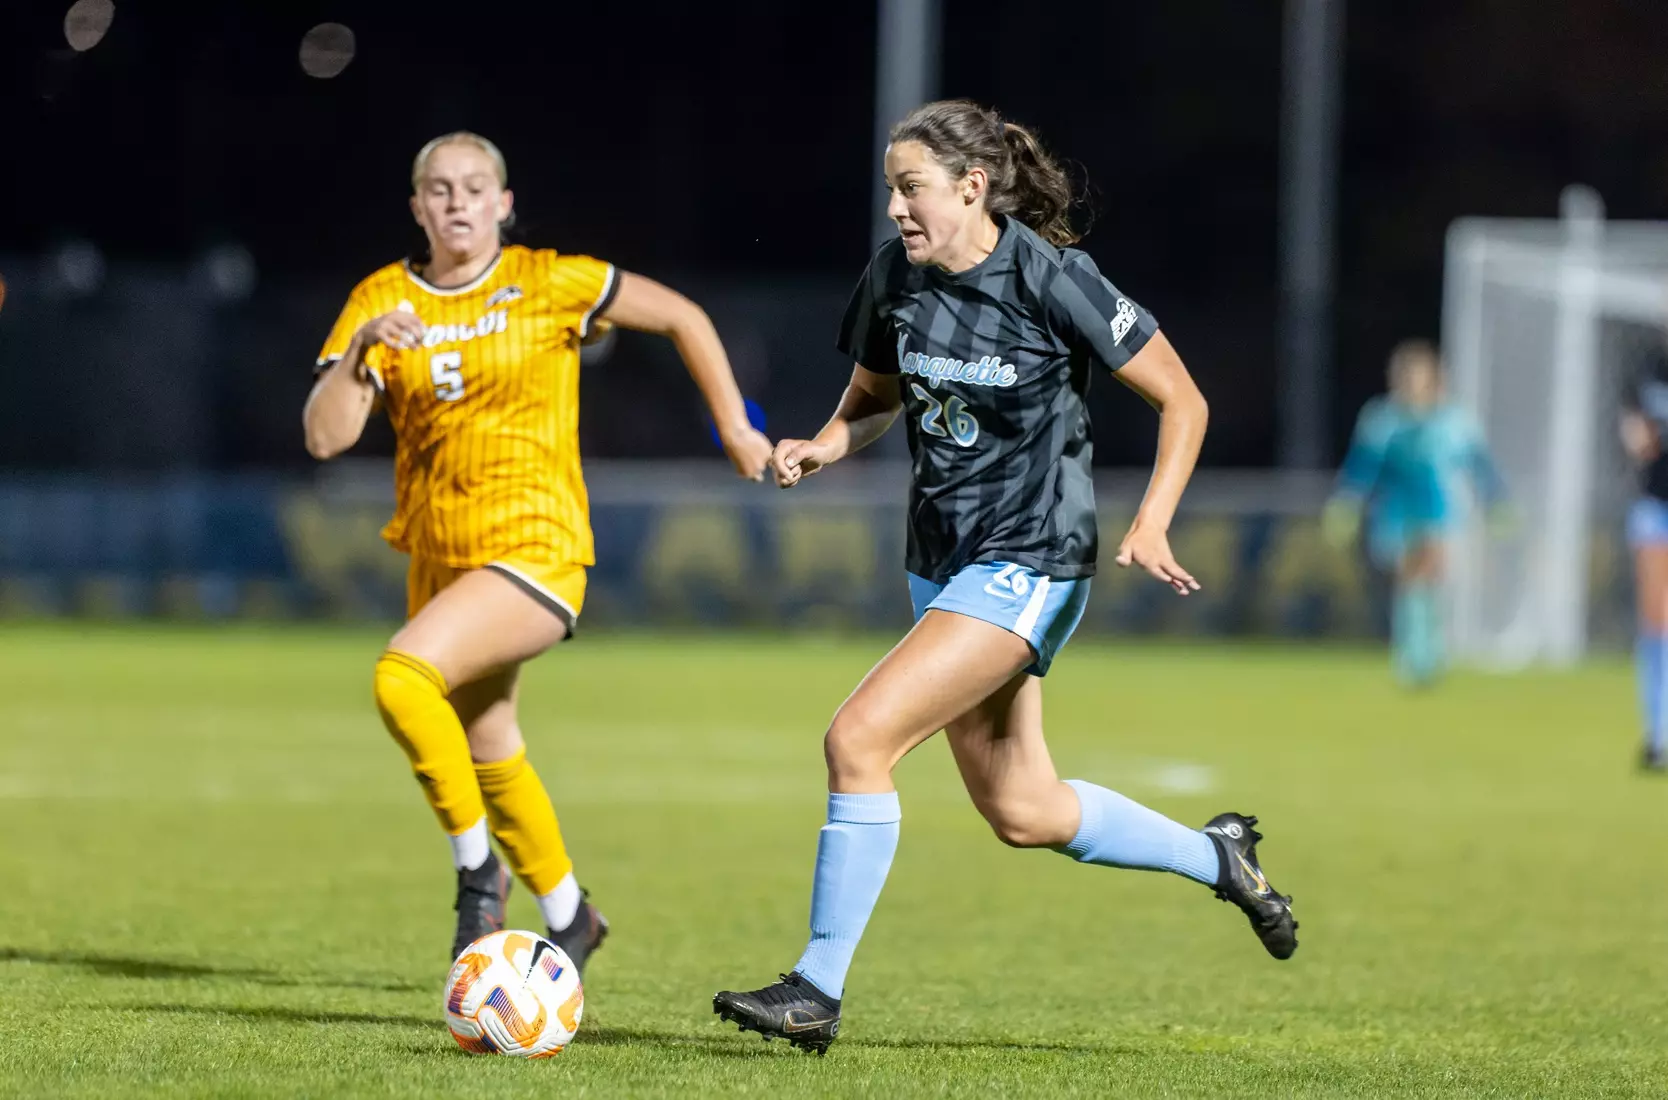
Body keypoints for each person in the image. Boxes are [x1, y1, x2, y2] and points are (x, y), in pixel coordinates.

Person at [711, 100, 1298, 1055]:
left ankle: (815, 988)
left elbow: (1182, 399)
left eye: (913, 188)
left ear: (972, 187)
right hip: (941, 562)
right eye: (892, 189)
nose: (897, 207)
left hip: (1034, 557)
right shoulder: (893, 278)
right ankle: (1219, 857)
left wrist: (1151, 519)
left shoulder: (1051, 276)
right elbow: (871, 401)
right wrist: (821, 447)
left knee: (857, 740)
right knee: (1023, 809)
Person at [302, 132, 773, 971]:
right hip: (442, 555)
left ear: (503, 204)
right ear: (416, 208)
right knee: (488, 744)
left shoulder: (546, 280)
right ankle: (570, 914)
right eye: (439, 190)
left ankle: (479, 876)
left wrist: (736, 428)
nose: (457, 202)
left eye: (474, 188)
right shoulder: (382, 298)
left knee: (400, 679)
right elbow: (326, 438)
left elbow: (681, 316)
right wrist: (367, 344)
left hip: (536, 546)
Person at [1322, 340, 1508, 687]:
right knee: (1410, 579)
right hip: (1396, 511)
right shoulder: (1383, 419)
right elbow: (1362, 466)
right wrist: (1347, 502)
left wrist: (1497, 501)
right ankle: (1414, 652)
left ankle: (1427, 652)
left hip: (1438, 508)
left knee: (1429, 574)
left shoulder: (1454, 420)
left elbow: (1479, 464)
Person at [1620, 342, 1668, 771]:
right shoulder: (1649, 367)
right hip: (1657, 507)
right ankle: (1658, 733)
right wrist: (1638, 435)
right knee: (1657, 622)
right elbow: (1636, 434)